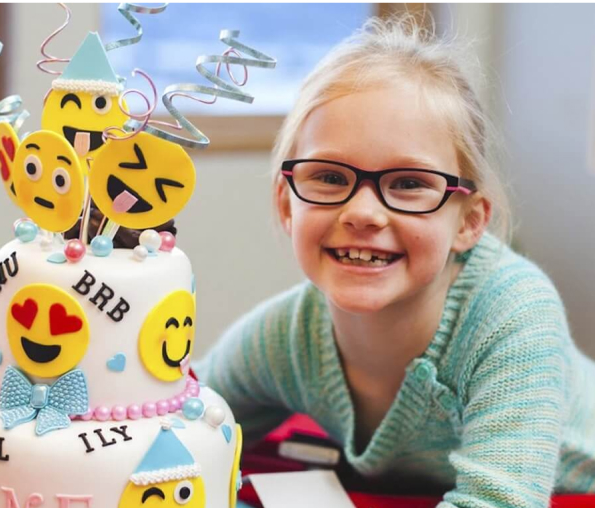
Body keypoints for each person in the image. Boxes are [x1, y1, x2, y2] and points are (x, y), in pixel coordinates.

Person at [195, 15, 595, 508]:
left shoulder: (510, 316)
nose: (362, 212)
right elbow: (182, 418)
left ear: (469, 222)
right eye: (329, 177)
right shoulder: (287, 337)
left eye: (409, 183)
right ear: (285, 204)